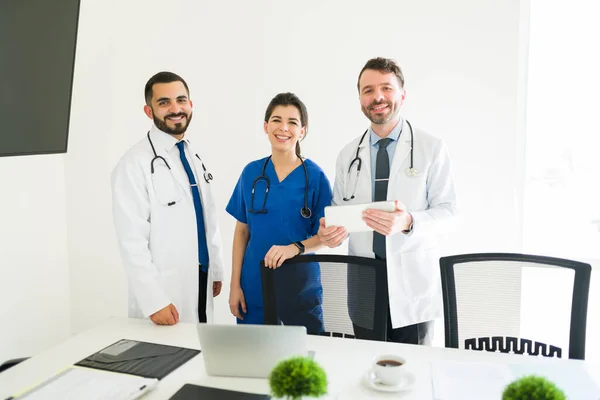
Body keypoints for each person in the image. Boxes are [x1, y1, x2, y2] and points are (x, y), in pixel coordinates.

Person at [317, 57, 457, 345]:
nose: (377, 97)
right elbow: (341, 212)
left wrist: (408, 221)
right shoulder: (347, 154)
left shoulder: (431, 148)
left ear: (402, 95)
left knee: (413, 373)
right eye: (368, 90)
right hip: (364, 279)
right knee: (365, 369)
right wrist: (330, 233)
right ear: (360, 99)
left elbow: (449, 213)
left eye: (386, 88)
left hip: (411, 279)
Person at [111, 71, 224, 326]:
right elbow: (131, 241)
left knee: (199, 358)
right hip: (165, 292)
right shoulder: (133, 164)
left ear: (190, 104)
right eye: (164, 103)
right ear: (149, 111)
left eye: (181, 100)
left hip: (200, 280)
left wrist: (215, 268)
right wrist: (154, 300)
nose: (175, 109)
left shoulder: (192, 155)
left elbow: (208, 217)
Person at [226, 92, 333, 334]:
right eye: (276, 120)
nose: (283, 128)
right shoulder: (251, 173)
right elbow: (242, 231)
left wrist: (295, 247)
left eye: (292, 122)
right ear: (266, 126)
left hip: (301, 287)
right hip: (254, 285)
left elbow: (326, 236)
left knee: (304, 362)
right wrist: (235, 286)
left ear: (302, 131)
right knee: (255, 361)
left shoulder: (314, 176)